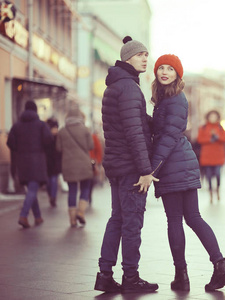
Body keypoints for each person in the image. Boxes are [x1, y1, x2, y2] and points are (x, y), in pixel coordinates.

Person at [151, 54, 225, 292]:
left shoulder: (175, 99)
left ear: (178, 74)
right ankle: (220, 268)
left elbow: (167, 137)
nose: (164, 72)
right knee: (193, 218)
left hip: (172, 165)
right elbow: (165, 128)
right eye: (161, 68)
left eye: (170, 69)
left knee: (177, 220)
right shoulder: (168, 98)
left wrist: (152, 169)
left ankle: (182, 275)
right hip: (183, 163)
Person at [94, 36, 159, 294]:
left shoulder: (116, 86)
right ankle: (131, 277)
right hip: (131, 167)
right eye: (140, 54)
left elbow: (132, 124)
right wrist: (146, 170)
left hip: (116, 165)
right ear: (127, 58)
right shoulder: (130, 88)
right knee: (131, 223)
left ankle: (105, 275)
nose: (145, 58)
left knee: (117, 220)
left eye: (146, 54)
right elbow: (134, 133)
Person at [7, 100, 52, 228]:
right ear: (35, 110)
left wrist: (20, 150)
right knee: (33, 189)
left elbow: (10, 143)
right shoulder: (41, 125)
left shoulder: (16, 126)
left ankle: (37, 217)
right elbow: (48, 140)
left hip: (22, 162)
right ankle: (23, 215)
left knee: (31, 189)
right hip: (37, 161)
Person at [56, 107, 94, 227]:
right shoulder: (85, 129)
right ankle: (81, 212)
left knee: (72, 191)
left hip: (68, 165)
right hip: (84, 164)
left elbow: (58, 148)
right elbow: (90, 146)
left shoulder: (62, 131)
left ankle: (72, 219)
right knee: (85, 188)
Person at [197, 110, 225, 203]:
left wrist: (217, 137)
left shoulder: (220, 127)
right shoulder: (203, 127)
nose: (213, 118)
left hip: (218, 156)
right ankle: (210, 193)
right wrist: (210, 139)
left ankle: (217, 190)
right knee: (209, 176)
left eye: (215, 116)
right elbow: (199, 139)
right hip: (207, 156)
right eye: (211, 116)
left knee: (218, 174)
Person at [45, 118, 62, 208]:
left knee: (54, 180)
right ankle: (50, 195)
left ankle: (53, 197)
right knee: (48, 182)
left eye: (56, 127)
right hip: (47, 163)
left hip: (56, 163)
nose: (55, 129)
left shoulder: (59, 137)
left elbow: (61, 150)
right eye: (54, 127)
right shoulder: (46, 137)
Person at [88, 131, 104, 204]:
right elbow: (99, 149)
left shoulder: (92, 137)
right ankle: (87, 195)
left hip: (91, 162)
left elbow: (98, 149)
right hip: (92, 162)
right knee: (90, 180)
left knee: (89, 180)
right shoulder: (93, 136)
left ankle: (87, 195)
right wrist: (98, 160)